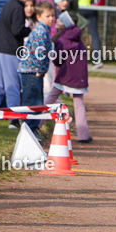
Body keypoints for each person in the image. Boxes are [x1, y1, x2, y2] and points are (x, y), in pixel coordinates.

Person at [45, 9, 92, 143]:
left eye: (60, 20)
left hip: (66, 75)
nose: (56, 21)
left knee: (50, 100)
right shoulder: (78, 38)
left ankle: (37, 125)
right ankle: (83, 135)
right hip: (79, 77)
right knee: (79, 105)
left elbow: (58, 60)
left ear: (66, 23)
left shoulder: (62, 40)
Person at [19, 2, 54, 138]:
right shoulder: (40, 32)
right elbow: (39, 52)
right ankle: (29, 128)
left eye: (52, 16)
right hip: (31, 71)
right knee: (32, 100)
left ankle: (32, 128)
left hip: (34, 70)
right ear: (39, 17)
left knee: (36, 99)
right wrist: (38, 69)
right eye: (48, 16)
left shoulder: (44, 30)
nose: (51, 18)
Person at [73, 0, 100, 66]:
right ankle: (97, 59)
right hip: (93, 6)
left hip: (81, 6)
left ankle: (75, 57)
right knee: (94, 33)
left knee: (76, 33)